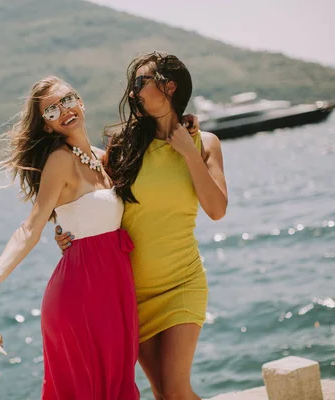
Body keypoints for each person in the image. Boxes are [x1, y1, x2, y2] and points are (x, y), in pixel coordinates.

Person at [55, 52, 228, 400]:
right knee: (163, 392)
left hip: (182, 282)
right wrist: (69, 231)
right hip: (131, 293)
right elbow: (93, 191)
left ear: (169, 85)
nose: (133, 92)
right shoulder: (123, 147)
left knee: (177, 391)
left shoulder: (204, 143)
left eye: (140, 82)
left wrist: (189, 154)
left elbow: (217, 209)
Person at [0, 76, 140, 399]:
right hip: (81, 294)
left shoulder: (103, 160)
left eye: (68, 100)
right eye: (52, 110)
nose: (64, 111)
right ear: (47, 126)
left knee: (117, 384)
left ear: (81, 101)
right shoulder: (60, 161)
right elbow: (31, 227)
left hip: (114, 288)